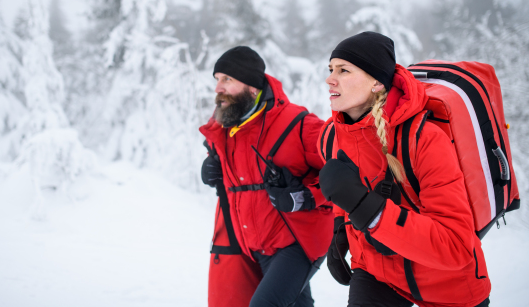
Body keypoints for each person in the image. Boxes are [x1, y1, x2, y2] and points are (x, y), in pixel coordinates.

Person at [317, 31, 491, 307]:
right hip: (377, 273)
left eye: (343, 70)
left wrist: (367, 210)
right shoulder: (330, 137)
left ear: (376, 82)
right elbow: (347, 190)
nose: (329, 78)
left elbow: (456, 246)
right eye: (330, 69)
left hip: (446, 284)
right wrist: (340, 228)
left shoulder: (424, 139)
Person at [199, 46, 334, 307]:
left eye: (227, 79)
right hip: (255, 247)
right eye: (217, 79)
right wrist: (211, 169)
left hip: (298, 243)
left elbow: (344, 171)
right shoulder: (226, 131)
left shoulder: (297, 123)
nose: (218, 88)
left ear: (252, 87)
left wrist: (305, 196)